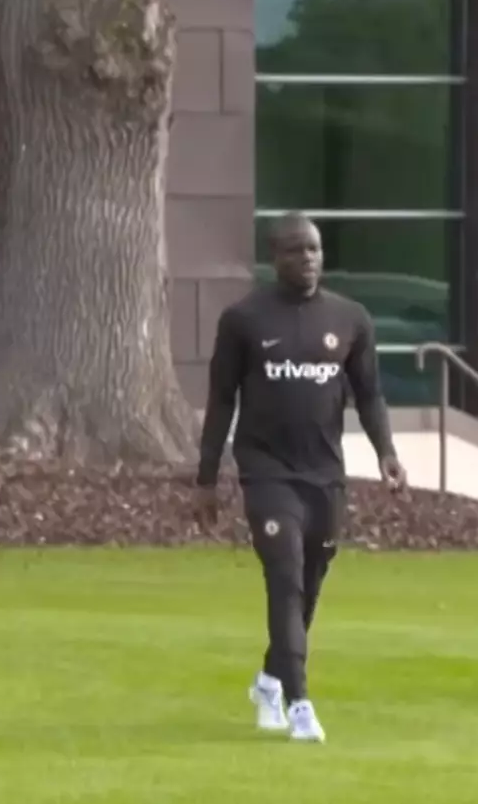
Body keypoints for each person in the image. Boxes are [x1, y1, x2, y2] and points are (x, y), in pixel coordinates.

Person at [192, 212, 407, 743]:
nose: (307, 259)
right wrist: (206, 476)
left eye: (314, 249)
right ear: (275, 258)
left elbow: (370, 395)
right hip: (266, 472)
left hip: (325, 474)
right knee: (284, 576)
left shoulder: (351, 319)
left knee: (309, 583)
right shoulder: (244, 320)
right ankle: (301, 703)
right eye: (295, 251)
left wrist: (387, 453)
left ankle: (270, 679)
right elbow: (221, 401)